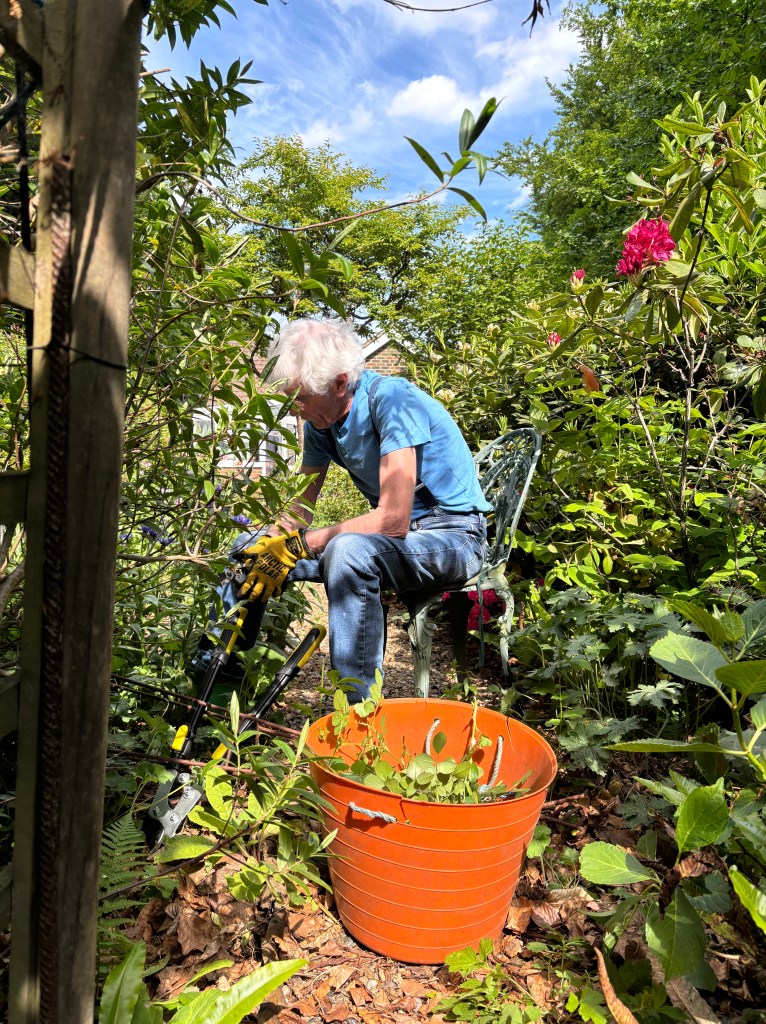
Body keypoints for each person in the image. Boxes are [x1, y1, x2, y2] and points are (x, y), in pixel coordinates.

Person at [200, 318, 490, 702]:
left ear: (339, 383)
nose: (294, 409)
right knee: (246, 548)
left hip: (453, 538)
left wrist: (300, 546)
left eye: (300, 398)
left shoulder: (392, 401)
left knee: (347, 551)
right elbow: (301, 507)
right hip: (396, 546)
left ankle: (357, 709)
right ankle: (216, 680)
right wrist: (273, 541)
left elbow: (392, 520)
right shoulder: (324, 423)